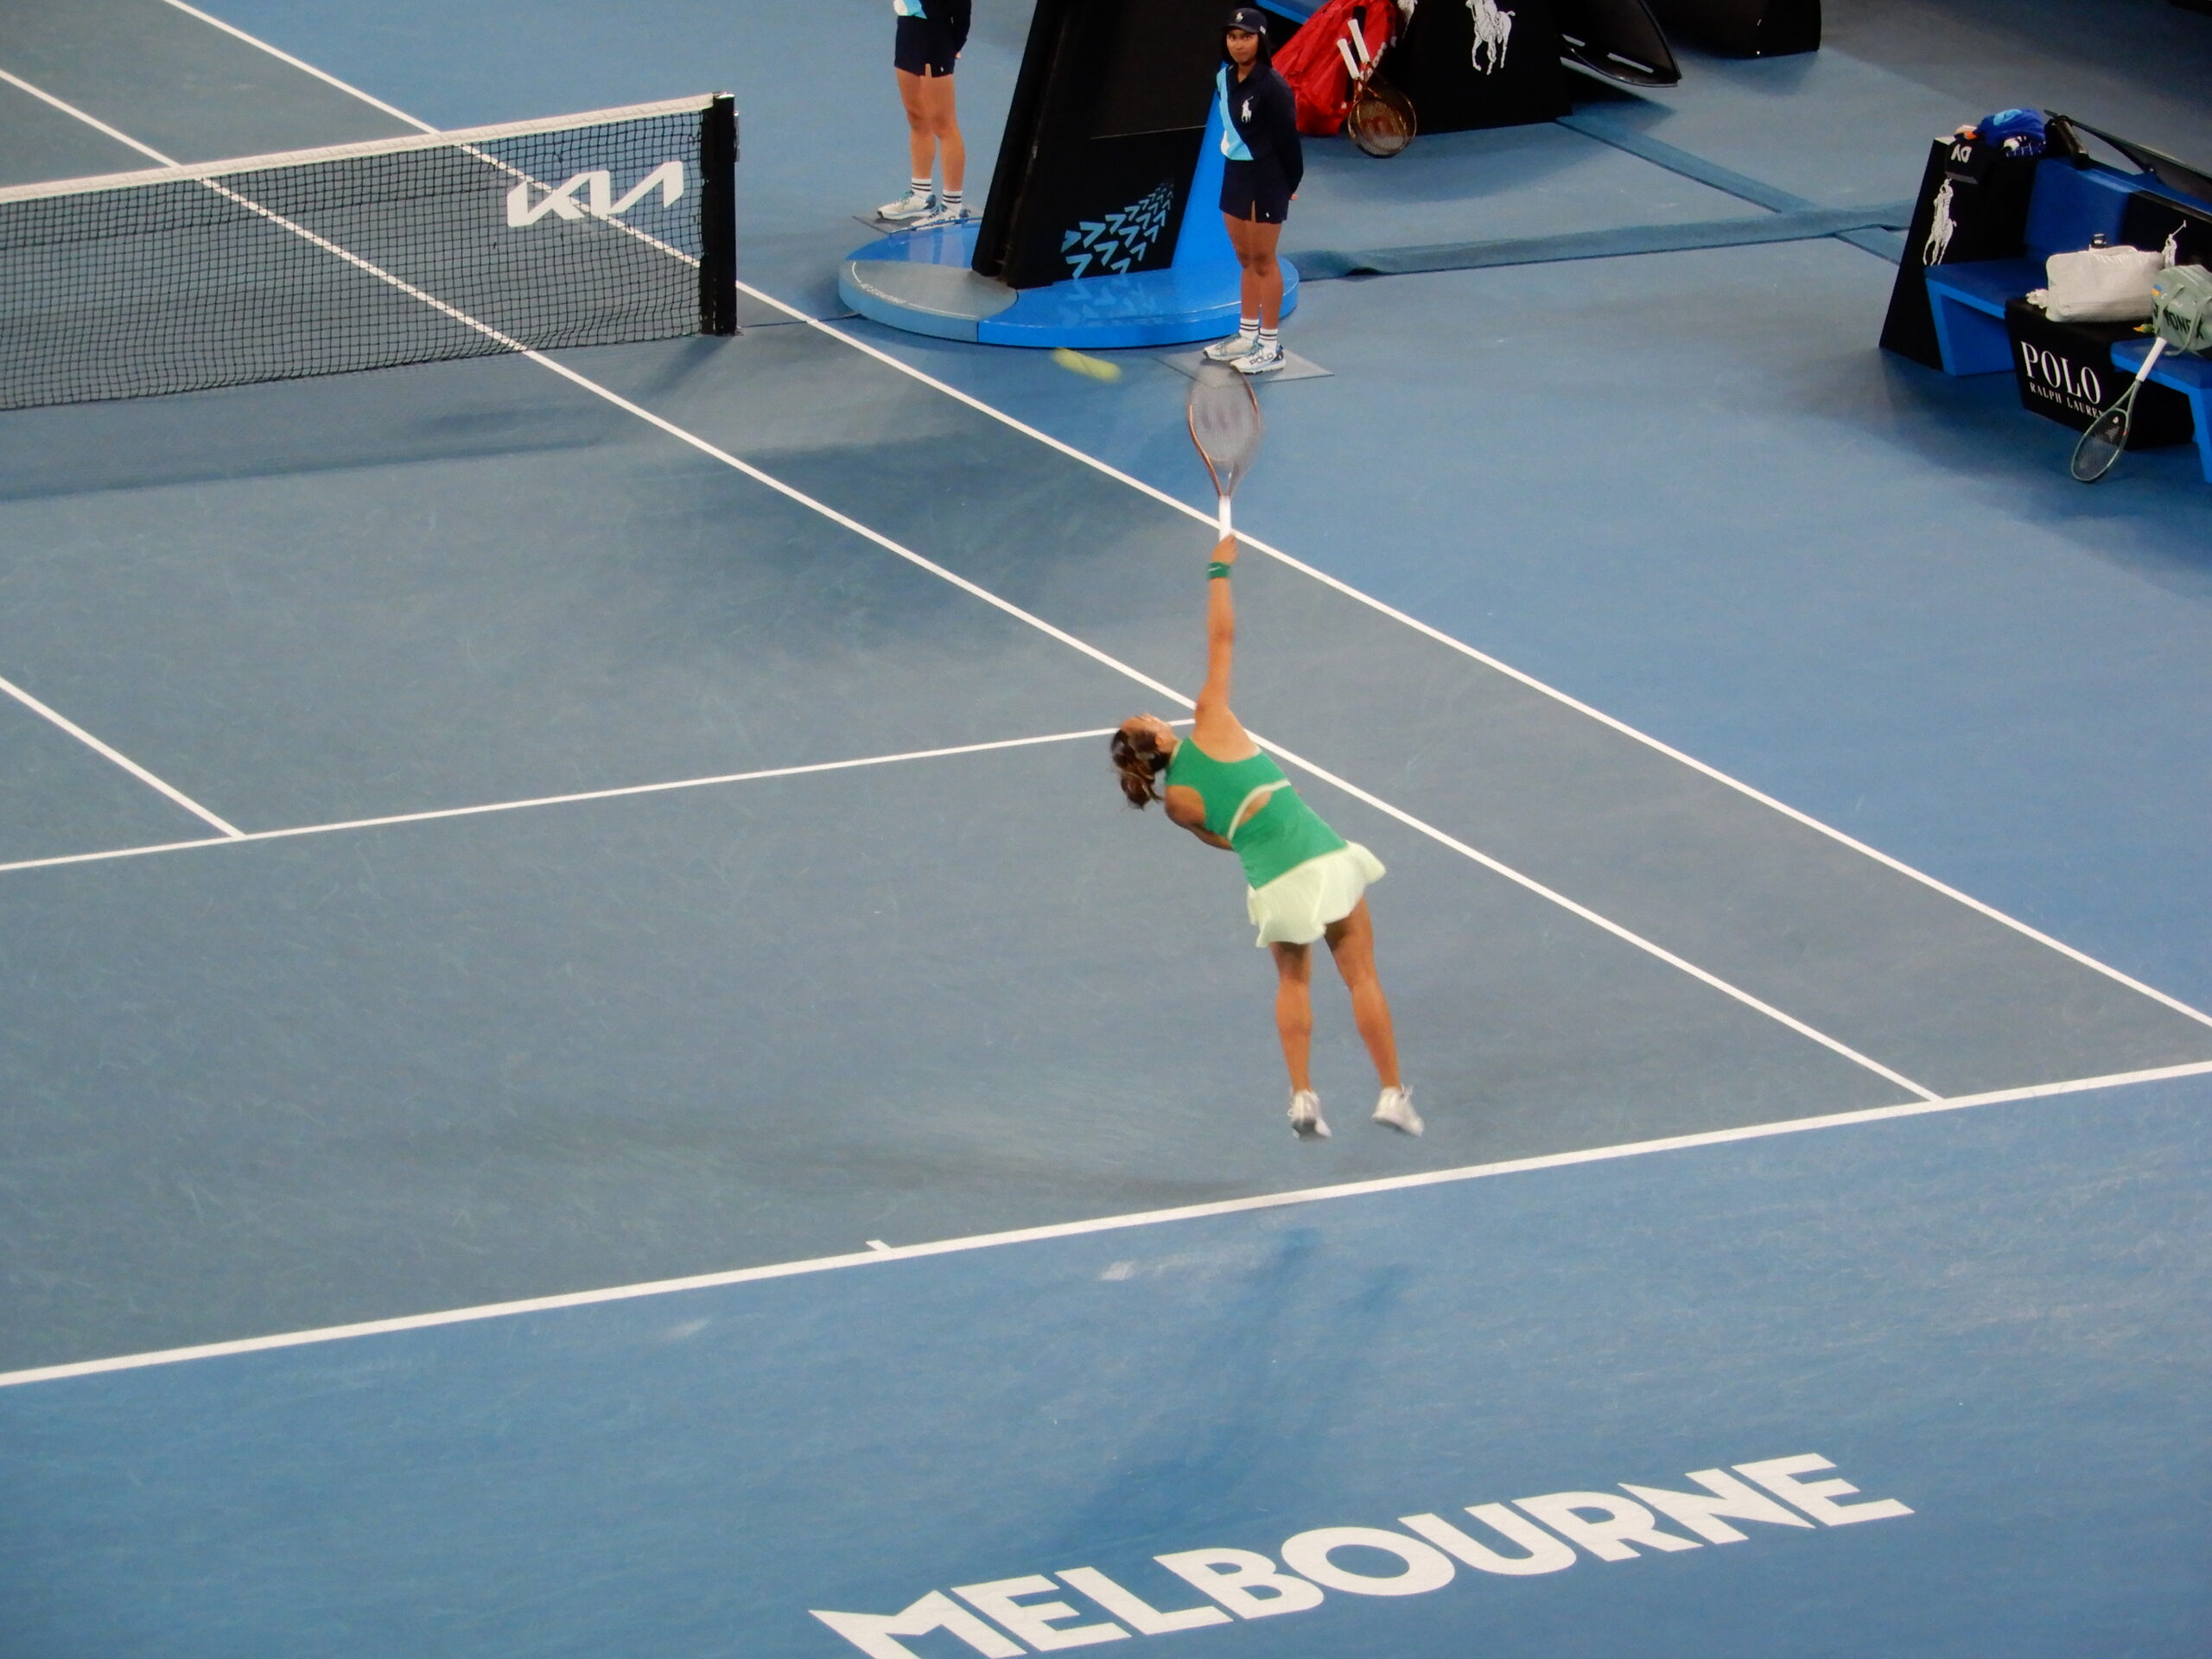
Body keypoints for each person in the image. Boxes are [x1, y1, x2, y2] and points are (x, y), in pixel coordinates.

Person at [1110, 535, 1418, 1140]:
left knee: (1293, 982)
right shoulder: (1210, 721)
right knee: (1361, 976)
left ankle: (1303, 1097)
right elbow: (1222, 638)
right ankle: (1390, 1094)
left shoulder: (1175, 802)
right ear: (1154, 737)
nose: (1149, 712)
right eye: (1143, 717)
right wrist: (1219, 569)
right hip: (1323, 861)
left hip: (1271, 884)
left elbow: (1226, 841)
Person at [1204, 8, 1305, 376]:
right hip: (1236, 173)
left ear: (1260, 40)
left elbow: (1288, 142)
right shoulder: (1223, 79)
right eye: (1232, 37)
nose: (1238, 44)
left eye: (1246, 37)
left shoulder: (1273, 86)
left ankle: (1271, 345)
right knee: (1245, 258)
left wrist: (1288, 184)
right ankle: (1246, 336)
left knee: (1264, 260)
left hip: (1267, 177)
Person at [878, 0, 973, 228]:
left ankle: (952, 207)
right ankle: (921, 195)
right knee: (916, 117)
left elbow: (962, 9)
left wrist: (953, 45)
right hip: (908, 29)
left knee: (944, 126)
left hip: (935, 36)